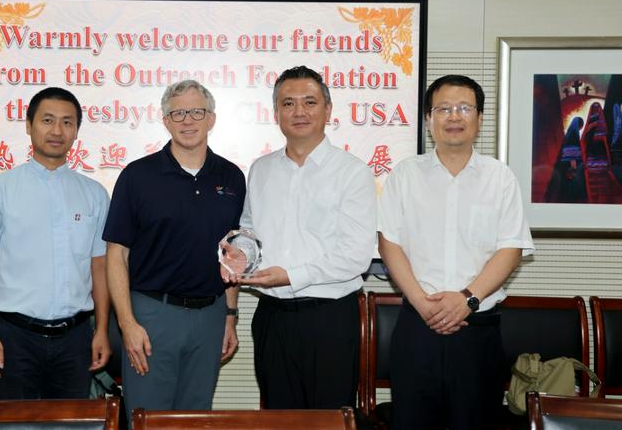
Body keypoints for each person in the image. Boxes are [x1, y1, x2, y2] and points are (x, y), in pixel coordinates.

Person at [378, 75, 534, 430]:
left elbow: (509, 248)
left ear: (479, 118)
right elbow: (389, 241)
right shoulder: (405, 174)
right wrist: (420, 301)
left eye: (464, 108)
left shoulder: (500, 178)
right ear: (428, 119)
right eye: (443, 108)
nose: (454, 116)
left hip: (477, 330)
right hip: (417, 326)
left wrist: (468, 299)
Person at [223, 65, 376, 409]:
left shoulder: (352, 172)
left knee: (328, 419)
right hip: (271, 317)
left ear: (328, 110)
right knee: (278, 417)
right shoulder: (261, 169)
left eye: (309, 102)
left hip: (329, 318)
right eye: (288, 103)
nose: (299, 111)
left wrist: (290, 276)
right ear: (276, 113)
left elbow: (356, 255)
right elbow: (250, 230)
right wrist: (241, 253)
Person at [103, 80, 245, 420]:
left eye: (197, 111)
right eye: (178, 113)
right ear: (165, 121)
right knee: (147, 417)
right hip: (152, 316)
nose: (187, 120)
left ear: (211, 119)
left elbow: (235, 254)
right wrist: (127, 323)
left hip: (211, 316)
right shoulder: (137, 176)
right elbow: (116, 255)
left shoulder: (232, 177)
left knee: (196, 419)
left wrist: (230, 316)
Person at [0, 86, 111, 399]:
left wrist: (101, 330)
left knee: (71, 425)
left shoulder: (95, 194)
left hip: (75, 339)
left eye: (67, 122)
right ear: (29, 126)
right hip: (13, 338)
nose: (57, 130)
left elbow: (99, 268)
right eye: (47, 120)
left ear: (76, 132)